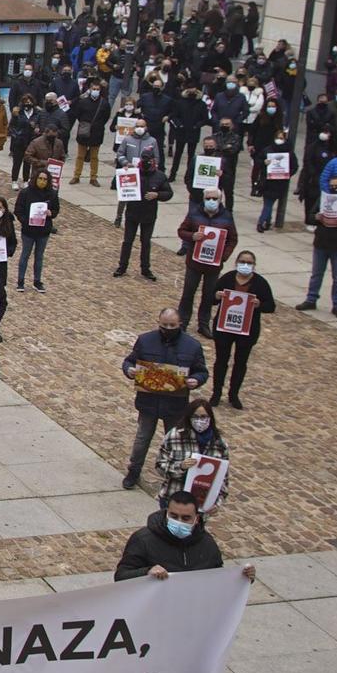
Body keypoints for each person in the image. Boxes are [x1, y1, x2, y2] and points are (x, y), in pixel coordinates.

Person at [120, 308, 209, 489]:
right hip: (149, 401)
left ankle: (175, 474)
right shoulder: (145, 340)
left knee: (175, 441)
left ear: (179, 325)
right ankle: (134, 470)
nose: (168, 328)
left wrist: (196, 380)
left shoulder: (192, 346)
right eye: (164, 325)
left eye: (172, 325)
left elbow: (201, 371)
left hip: (175, 404)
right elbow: (130, 361)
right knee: (142, 438)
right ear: (159, 323)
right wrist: (129, 370)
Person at [113, 492, 254, 583]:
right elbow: (121, 576)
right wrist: (146, 571)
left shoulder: (207, 544)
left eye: (186, 518)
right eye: (174, 516)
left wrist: (243, 577)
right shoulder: (143, 539)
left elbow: (217, 579)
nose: (179, 521)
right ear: (166, 513)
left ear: (196, 519)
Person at [207, 250, 273, 410]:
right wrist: (216, 295)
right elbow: (211, 299)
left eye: (249, 263)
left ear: (254, 265)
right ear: (236, 262)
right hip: (224, 328)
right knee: (221, 360)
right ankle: (216, 393)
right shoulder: (227, 278)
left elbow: (270, 306)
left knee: (240, 362)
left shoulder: (260, 283)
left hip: (247, 330)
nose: (246, 265)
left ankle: (233, 394)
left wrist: (259, 305)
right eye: (243, 261)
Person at [174, 187, 237, 337]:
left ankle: (203, 324)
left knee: (208, 295)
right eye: (208, 198)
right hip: (194, 263)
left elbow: (232, 239)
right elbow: (181, 231)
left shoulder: (227, 217)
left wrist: (223, 256)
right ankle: (182, 322)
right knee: (188, 293)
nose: (211, 201)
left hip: (213, 265)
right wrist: (192, 236)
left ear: (220, 200)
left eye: (214, 198)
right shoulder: (194, 213)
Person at [295, 170, 337, 318]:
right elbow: (309, 217)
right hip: (321, 243)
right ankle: (311, 299)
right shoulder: (323, 200)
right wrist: (316, 217)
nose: (334, 189)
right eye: (332, 186)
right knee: (316, 274)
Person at [152, 399, 231, 509]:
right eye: (195, 417)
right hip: (172, 498)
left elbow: (223, 479)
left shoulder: (219, 444)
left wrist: (217, 503)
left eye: (203, 417)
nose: (199, 420)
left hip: (200, 504)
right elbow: (159, 466)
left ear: (210, 418)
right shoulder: (175, 436)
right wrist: (181, 466)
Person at [114, 152, 174, 280]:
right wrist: (124, 173)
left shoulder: (159, 176)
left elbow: (168, 193)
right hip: (133, 213)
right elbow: (120, 187)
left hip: (149, 215)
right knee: (127, 241)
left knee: (146, 242)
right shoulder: (134, 172)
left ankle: (145, 268)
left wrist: (157, 195)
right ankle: (122, 266)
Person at [15, 168, 59, 291]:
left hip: (43, 231)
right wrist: (25, 221)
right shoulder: (25, 193)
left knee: (39, 256)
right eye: (40, 178)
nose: (42, 181)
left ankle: (37, 281)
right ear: (36, 179)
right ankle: (20, 281)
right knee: (25, 255)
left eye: (45, 179)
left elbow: (56, 210)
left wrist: (51, 213)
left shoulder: (52, 194)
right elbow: (18, 209)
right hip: (28, 231)